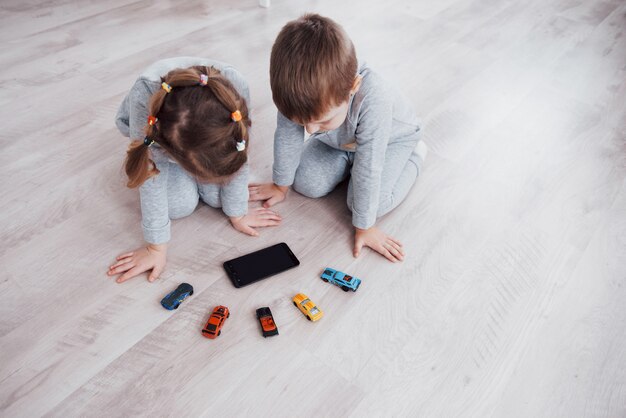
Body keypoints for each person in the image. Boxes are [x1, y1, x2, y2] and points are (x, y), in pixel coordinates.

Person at [249, 15, 427, 262]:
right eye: (303, 123)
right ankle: (346, 162)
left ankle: (416, 155)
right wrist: (281, 184)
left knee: (366, 206)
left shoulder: (374, 98)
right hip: (342, 142)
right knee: (306, 183)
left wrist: (365, 226)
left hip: (390, 141)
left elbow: (369, 167)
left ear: (353, 87)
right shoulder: (295, 91)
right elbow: (287, 137)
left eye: (321, 121)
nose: (310, 131)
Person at [109, 57, 281, 283]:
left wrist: (237, 212)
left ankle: (206, 167)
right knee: (179, 206)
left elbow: (240, 155)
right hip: (155, 134)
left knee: (222, 200)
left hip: (190, 137)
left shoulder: (235, 89)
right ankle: (195, 163)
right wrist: (155, 248)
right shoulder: (145, 96)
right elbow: (150, 175)